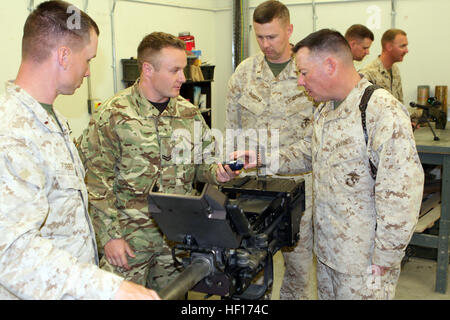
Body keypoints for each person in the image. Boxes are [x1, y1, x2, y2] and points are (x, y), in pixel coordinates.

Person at [0, 1, 159, 300]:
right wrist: (109, 288)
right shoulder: (11, 132)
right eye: (88, 59)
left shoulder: (52, 120)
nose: (88, 72)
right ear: (63, 55)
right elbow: (10, 251)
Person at [77, 32, 250, 292]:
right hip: (129, 240)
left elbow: (203, 164)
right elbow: (96, 182)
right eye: (175, 70)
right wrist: (110, 238)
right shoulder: (113, 115)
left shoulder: (188, 113)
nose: (184, 78)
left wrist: (221, 172)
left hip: (176, 240)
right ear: (148, 69)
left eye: (184, 69)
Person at [290, 29, 424, 299]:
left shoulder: (381, 111)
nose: (300, 82)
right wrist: (259, 157)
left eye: (304, 73)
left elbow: (402, 195)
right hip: (329, 254)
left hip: (365, 265)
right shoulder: (326, 109)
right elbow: (311, 152)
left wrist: (384, 261)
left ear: (330, 65)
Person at [226, 0, 315, 300]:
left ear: (289, 30)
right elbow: (232, 131)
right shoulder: (244, 74)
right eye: (259, 37)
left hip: (299, 188)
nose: (265, 44)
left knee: (299, 269)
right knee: (251, 266)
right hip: (253, 189)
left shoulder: (308, 74)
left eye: (272, 37)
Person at [359, 28, 409, 103]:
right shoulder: (368, 74)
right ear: (389, 47)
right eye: (402, 46)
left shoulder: (395, 70)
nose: (406, 50)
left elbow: (399, 104)